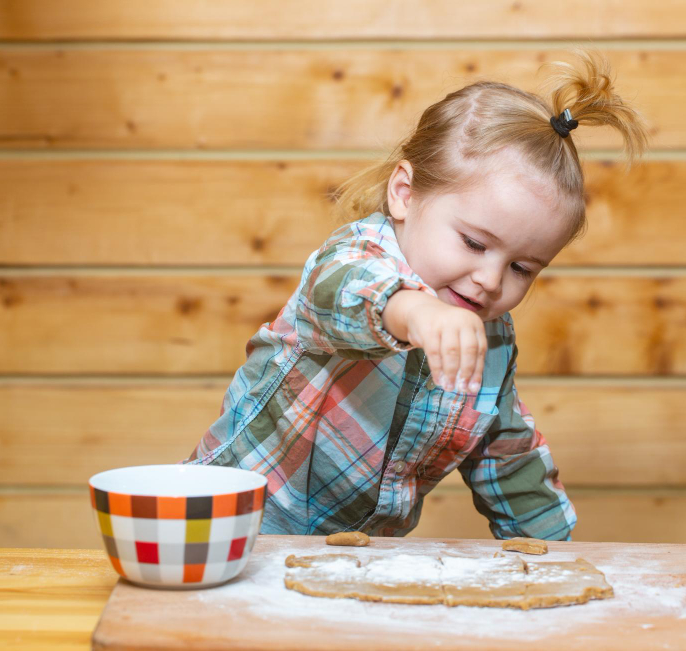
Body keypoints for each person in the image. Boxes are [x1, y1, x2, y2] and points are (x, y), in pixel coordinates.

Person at [181, 48, 651, 540]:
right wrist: (410, 308)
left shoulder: (489, 339)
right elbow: (338, 292)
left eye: (521, 268)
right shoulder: (357, 258)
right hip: (231, 524)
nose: (490, 280)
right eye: (473, 242)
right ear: (404, 193)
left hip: (354, 554)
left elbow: (505, 454)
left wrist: (557, 552)